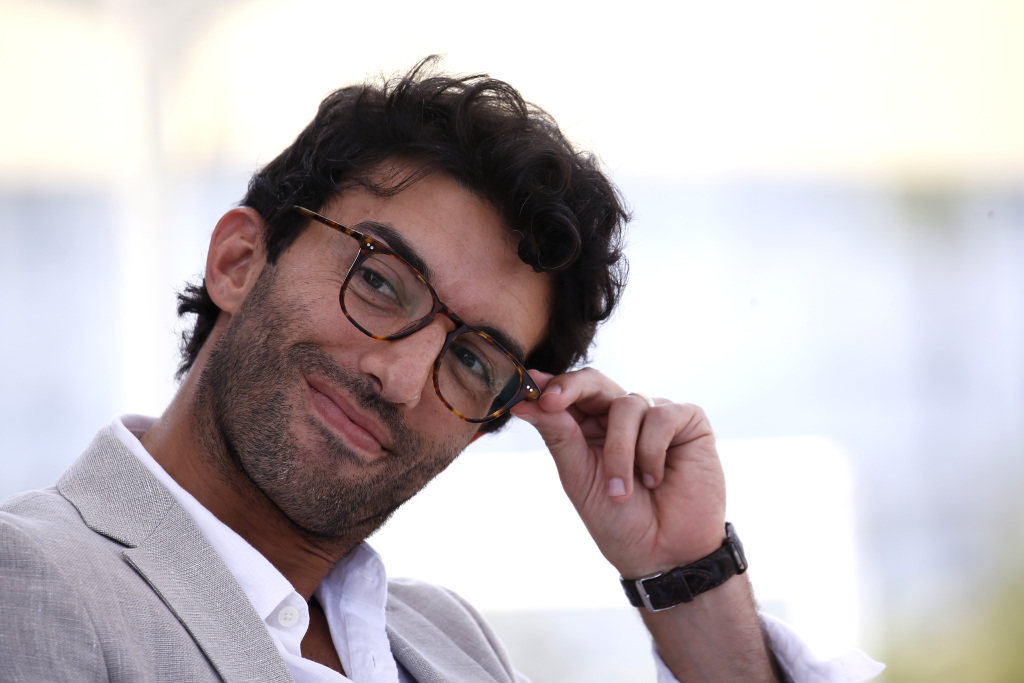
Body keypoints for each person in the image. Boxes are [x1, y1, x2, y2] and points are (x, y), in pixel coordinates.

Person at [0, 58, 883, 682]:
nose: (401, 375)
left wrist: (685, 575)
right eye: (380, 280)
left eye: (471, 358)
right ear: (239, 260)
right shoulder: (36, 585)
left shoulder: (444, 641)